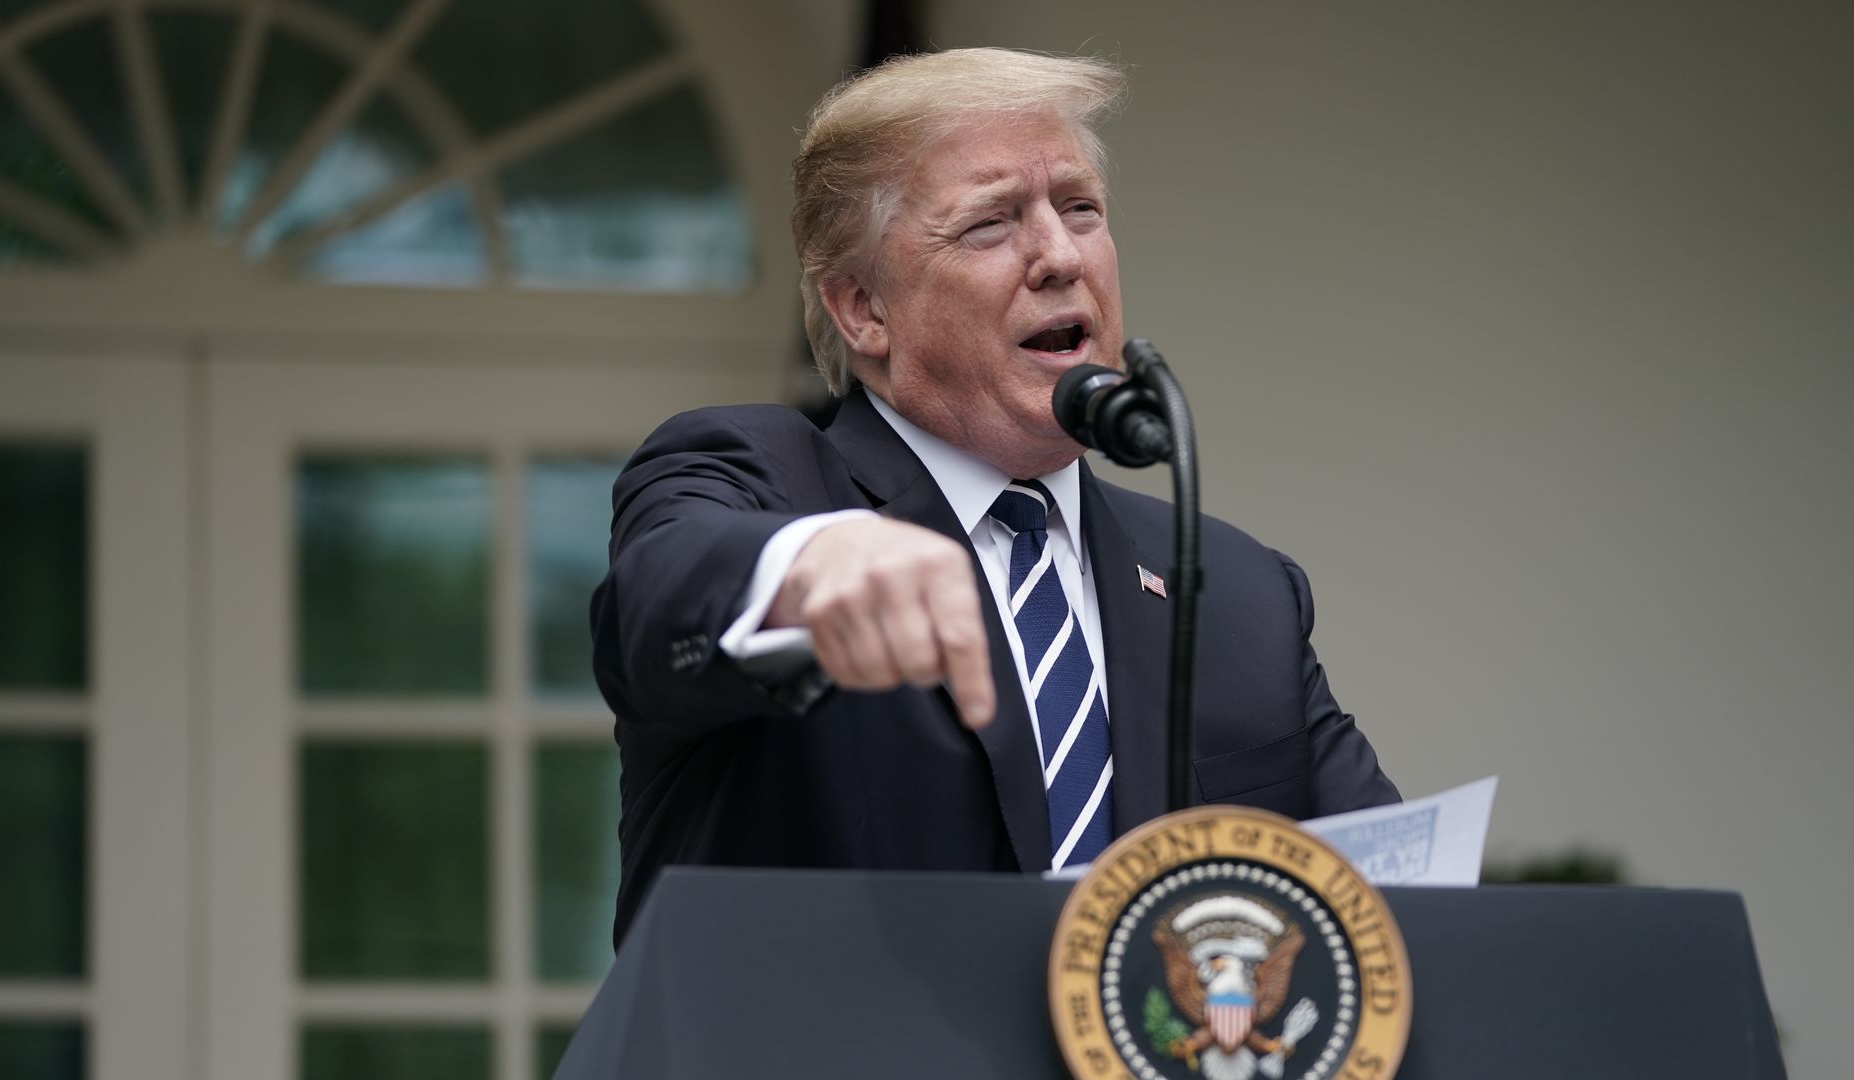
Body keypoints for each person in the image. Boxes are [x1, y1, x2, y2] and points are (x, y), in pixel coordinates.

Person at [590, 48, 1398, 944]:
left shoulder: (1239, 591)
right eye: (989, 225)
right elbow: (658, 603)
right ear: (864, 309)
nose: (1059, 254)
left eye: (1081, 208)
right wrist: (806, 566)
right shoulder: (766, 478)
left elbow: (1391, 921)